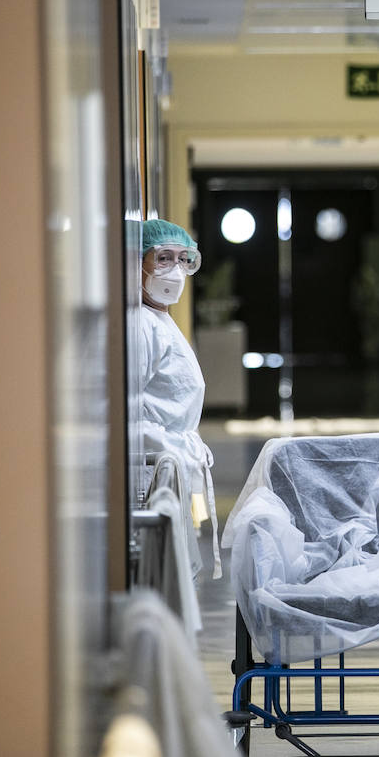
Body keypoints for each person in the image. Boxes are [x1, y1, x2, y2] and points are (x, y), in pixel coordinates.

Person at [134, 218, 220, 577]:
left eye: (183, 259)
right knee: (159, 570)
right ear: (137, 263)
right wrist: (167, 449)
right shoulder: (139, 324)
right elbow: (124, 409)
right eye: (162, 258)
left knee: (175, 567)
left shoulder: (159, 320)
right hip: (152, 468)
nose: (175, 270)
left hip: (171, 463)